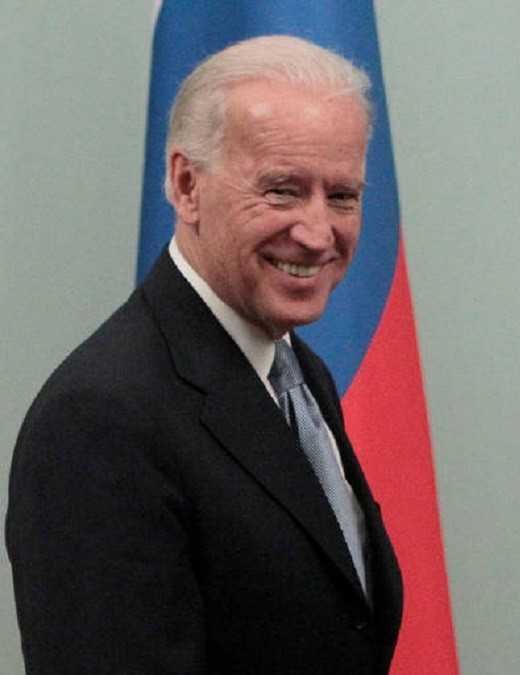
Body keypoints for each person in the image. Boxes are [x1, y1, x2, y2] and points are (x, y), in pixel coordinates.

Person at [7, 35, 402, 673]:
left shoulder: (299, 375)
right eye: (282, 191)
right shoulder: (101, 420)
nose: (317, 233)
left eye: (342, 196)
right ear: (187, 185)